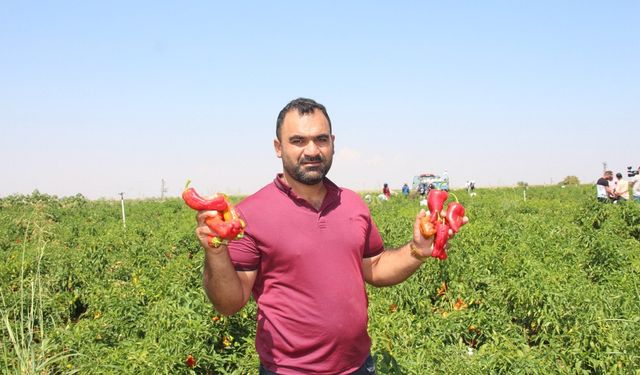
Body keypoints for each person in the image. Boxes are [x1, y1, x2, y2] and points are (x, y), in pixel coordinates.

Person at [193, 98, 467, 375]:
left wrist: (417, 250)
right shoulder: (249, 214)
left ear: (332, 142)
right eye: (298, 140)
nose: (312, 150)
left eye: (321, 139)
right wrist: (215, 252)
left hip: (358, 366)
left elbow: (376, 267)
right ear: (278, 147)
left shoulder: (352, 204)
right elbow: (228, 303)